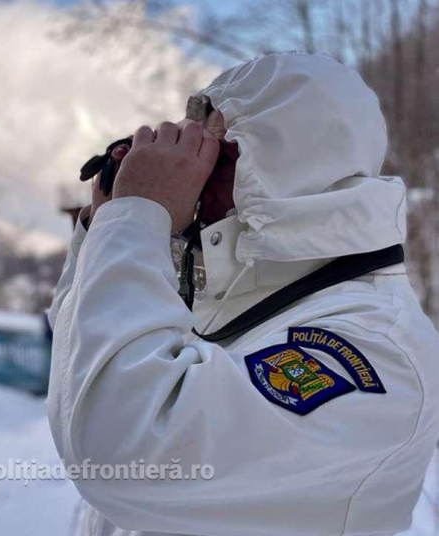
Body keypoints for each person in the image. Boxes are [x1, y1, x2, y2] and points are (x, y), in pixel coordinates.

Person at [47, 52, 439, 536]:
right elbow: (82, 363)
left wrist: (137, 216)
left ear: (280, 166)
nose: (195, 167)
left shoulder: (378, 348)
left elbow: (121, 451)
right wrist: (104, 228)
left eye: (214, 146)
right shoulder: (244, 288)